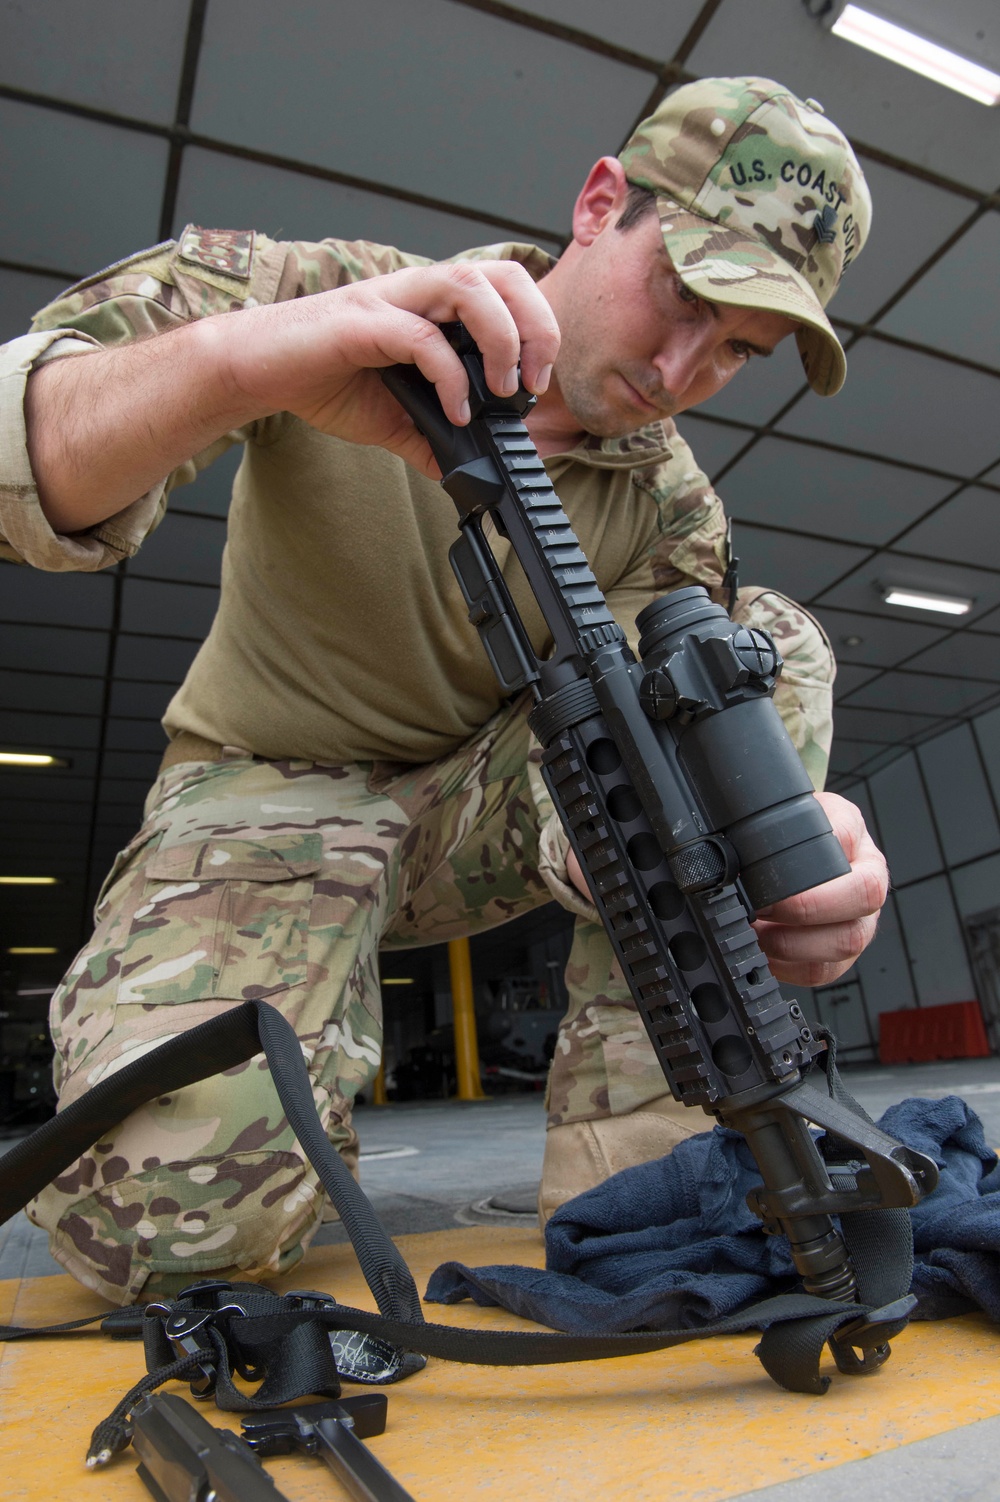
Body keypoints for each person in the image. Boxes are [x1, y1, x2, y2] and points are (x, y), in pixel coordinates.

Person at [0, 75, 887, 1304]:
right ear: (599, 202)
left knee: (757, 652)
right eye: (683, 292)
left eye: (739, 349)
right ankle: (287, 1079)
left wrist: (764, 852)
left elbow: (638, 736)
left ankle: (647, 1195)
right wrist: (248, 363)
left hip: (494, 806)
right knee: (163, 1225)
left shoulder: (672, 509)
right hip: (263, 792)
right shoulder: (346, 297)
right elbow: (22, 453)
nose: (685, 364)